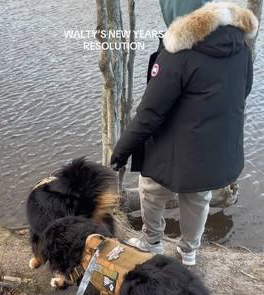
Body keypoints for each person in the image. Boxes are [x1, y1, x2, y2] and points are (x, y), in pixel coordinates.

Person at [110, 0, 258, 266]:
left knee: (151, 189)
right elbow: (244, 90)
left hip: (180, 149)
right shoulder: (240, 44)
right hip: (217, 146)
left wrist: (122, 150)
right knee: (198, 195)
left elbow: (150, 113)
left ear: (174, 12)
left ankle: (152, 241)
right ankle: (189, 251)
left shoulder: (178, 53)